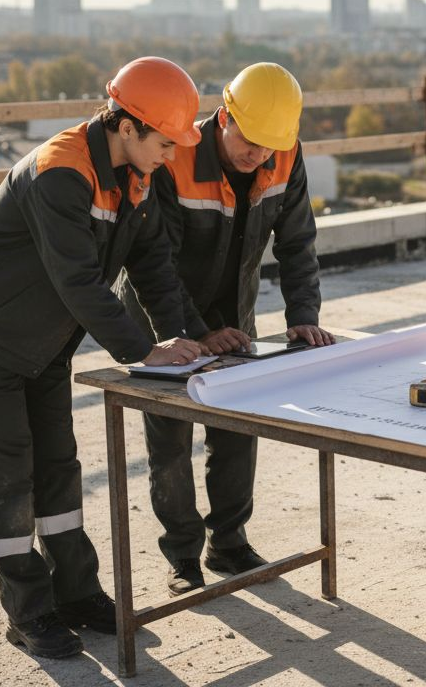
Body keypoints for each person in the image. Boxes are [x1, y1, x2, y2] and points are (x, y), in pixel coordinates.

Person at [0, 56, 211, 659]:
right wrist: (145, 351)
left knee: (59, 464)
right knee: (9, 473)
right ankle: (28, 612)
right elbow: (80, 283)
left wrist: (188, 337)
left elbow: (153, 266)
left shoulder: (137, 175)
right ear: (129, 125)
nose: (171, 154)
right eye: (165, 141)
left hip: (46, 337)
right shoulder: (61, 171)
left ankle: (77, 594)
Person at [121, 62, 334, 597]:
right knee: (170, 436)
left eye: (269, 146)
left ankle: (230, 541)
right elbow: (156, 262)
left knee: (239, 427)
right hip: (161, 311)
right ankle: (183, 557)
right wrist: (194, 331)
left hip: (233, 312)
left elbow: (297, 241)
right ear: (225, 116)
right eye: (250, 141)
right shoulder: (177, 154)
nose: (258, 154)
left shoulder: (285, 152)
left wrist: (302, 316)